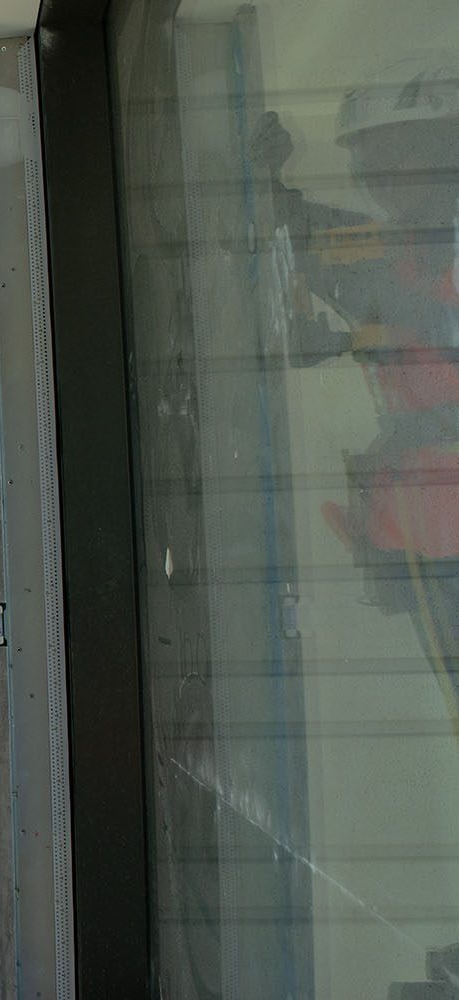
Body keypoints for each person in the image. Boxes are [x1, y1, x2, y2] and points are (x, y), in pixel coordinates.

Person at [252, 55, 459, 723]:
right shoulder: (399, 247)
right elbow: (317, 240)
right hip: (426, 551)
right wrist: (264, 183)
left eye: (395, 152)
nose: (378, 176)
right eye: (367, 158)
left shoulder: (426, 252)